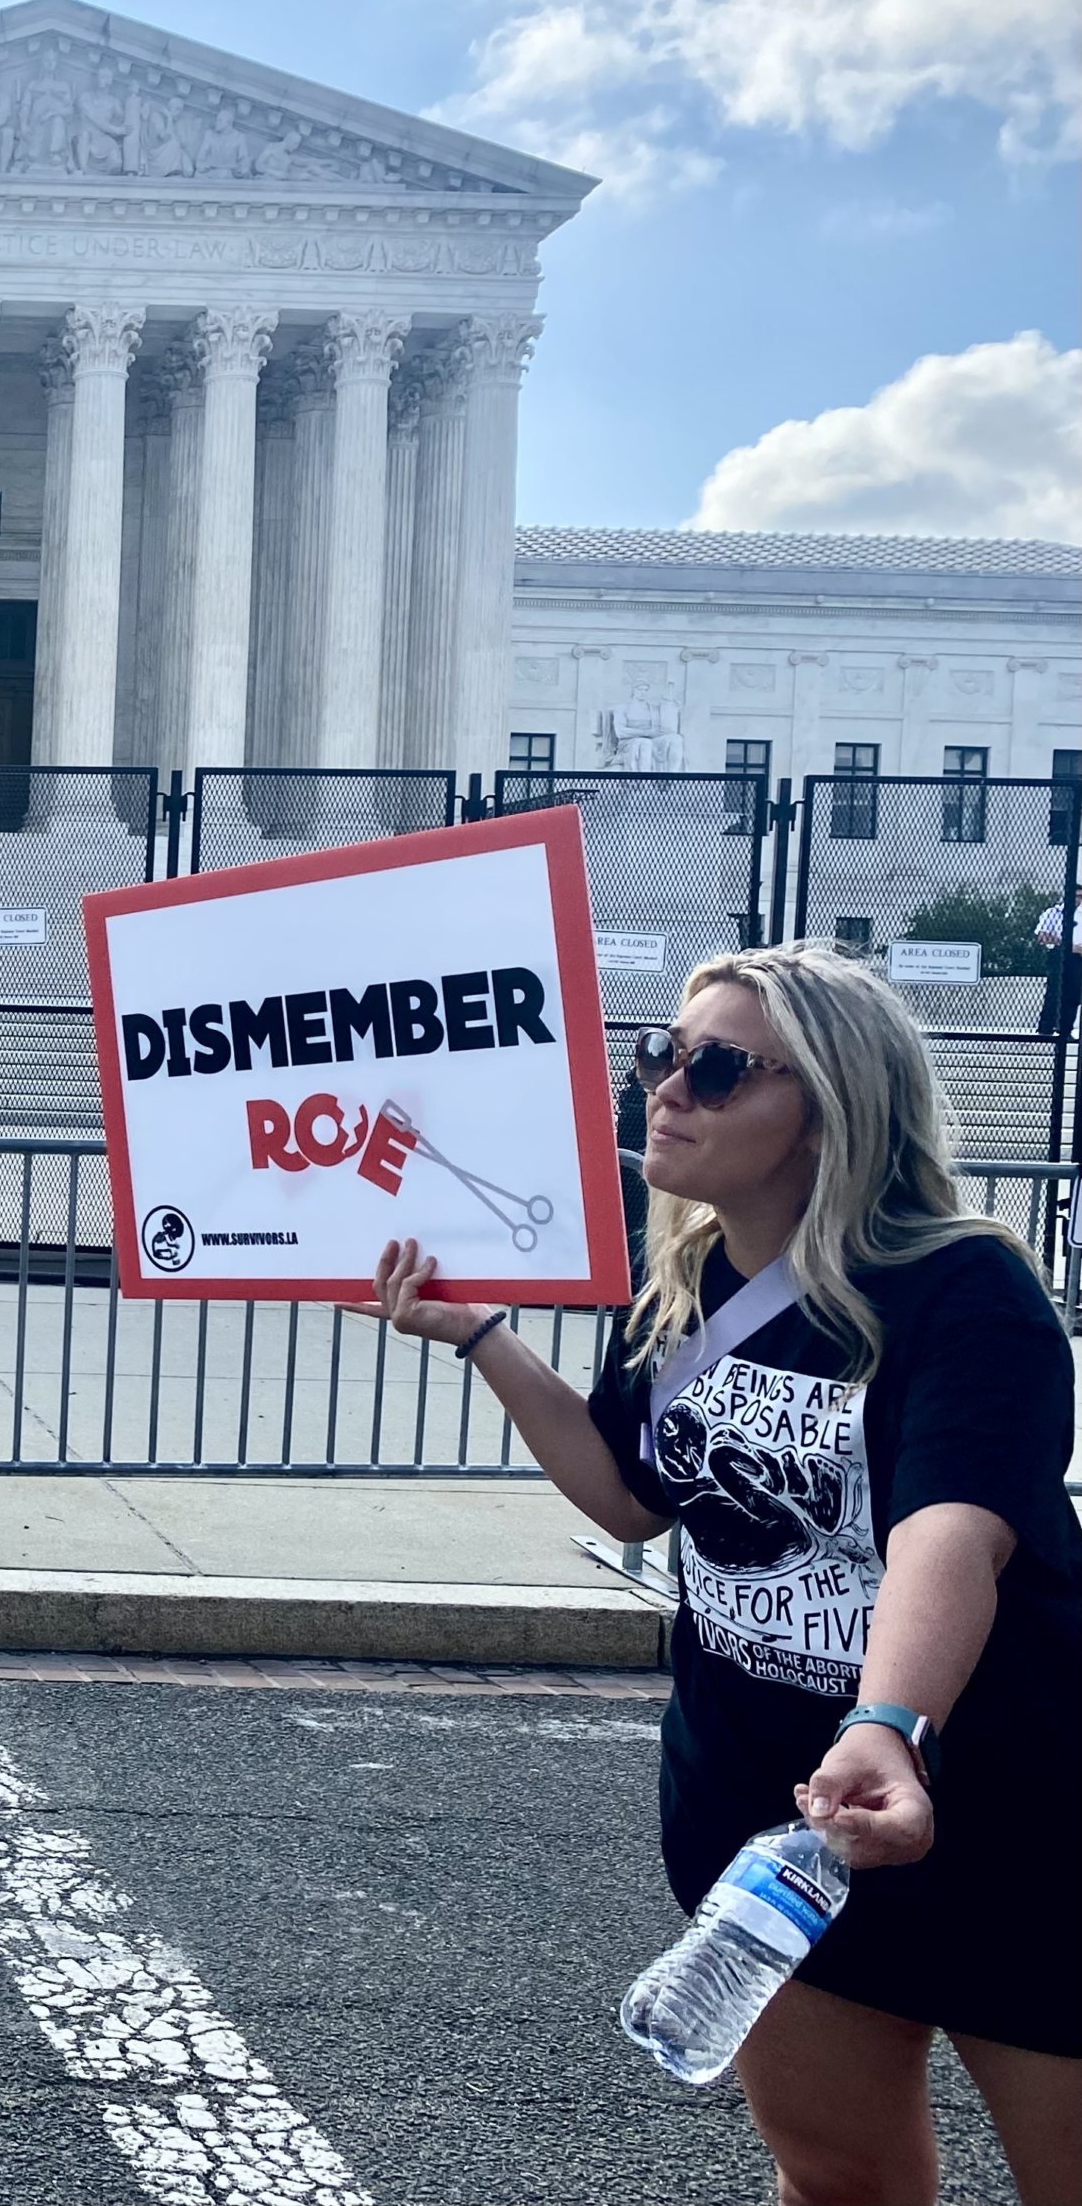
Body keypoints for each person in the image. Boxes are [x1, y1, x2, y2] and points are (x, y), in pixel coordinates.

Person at [349, 942, 1079, 2206]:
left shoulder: (964, 1292)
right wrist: (477, 1336)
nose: (666, 1090)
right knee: (840, 2177)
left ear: (830, 1111)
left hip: (1012, 1809)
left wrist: (887, 1725)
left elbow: (951, 1530)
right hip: (773, 1813)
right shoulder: (689, 1285)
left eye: (719, 1068)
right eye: (659, 1055)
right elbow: (633, 1495)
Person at [1035, 895, 1078, 1041]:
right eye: (1075, 896)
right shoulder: (1053, 913)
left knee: (1074, 993)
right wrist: (1066, 944)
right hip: (1058, 954)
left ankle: (1065, 1029)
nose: (1077, 900)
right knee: (1054, 989)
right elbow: (1042, 936)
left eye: (1080, 897)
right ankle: (1046, 1027)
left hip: (1078, 957)